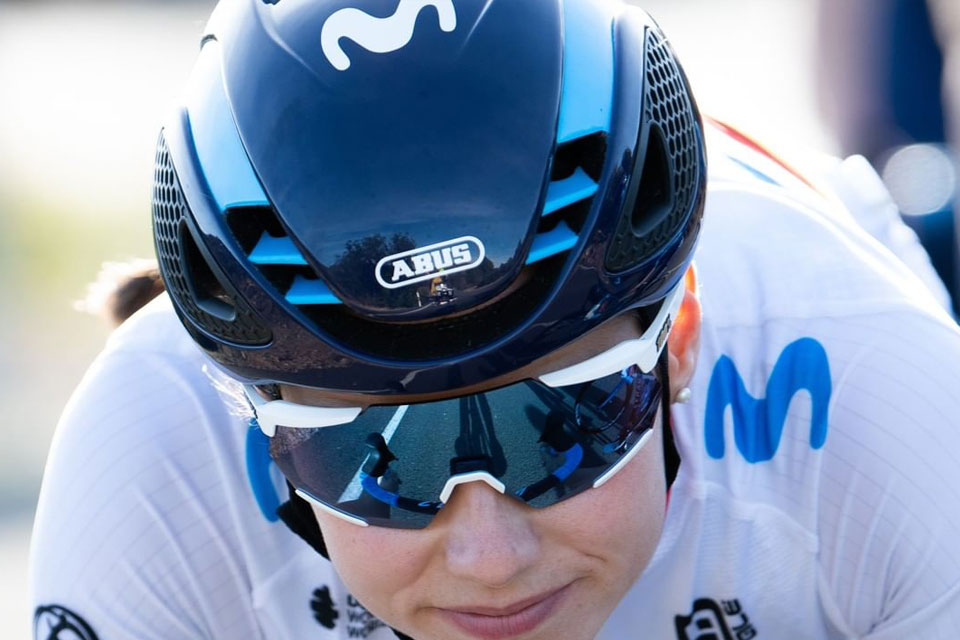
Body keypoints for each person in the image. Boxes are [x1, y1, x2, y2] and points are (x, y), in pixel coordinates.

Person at [29, 0, 960, 638]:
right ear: (257, 423)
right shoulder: (153, 447)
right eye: (377, 460)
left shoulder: (887, 397)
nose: (490, 558)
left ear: (680, 339)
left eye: (560, 424)